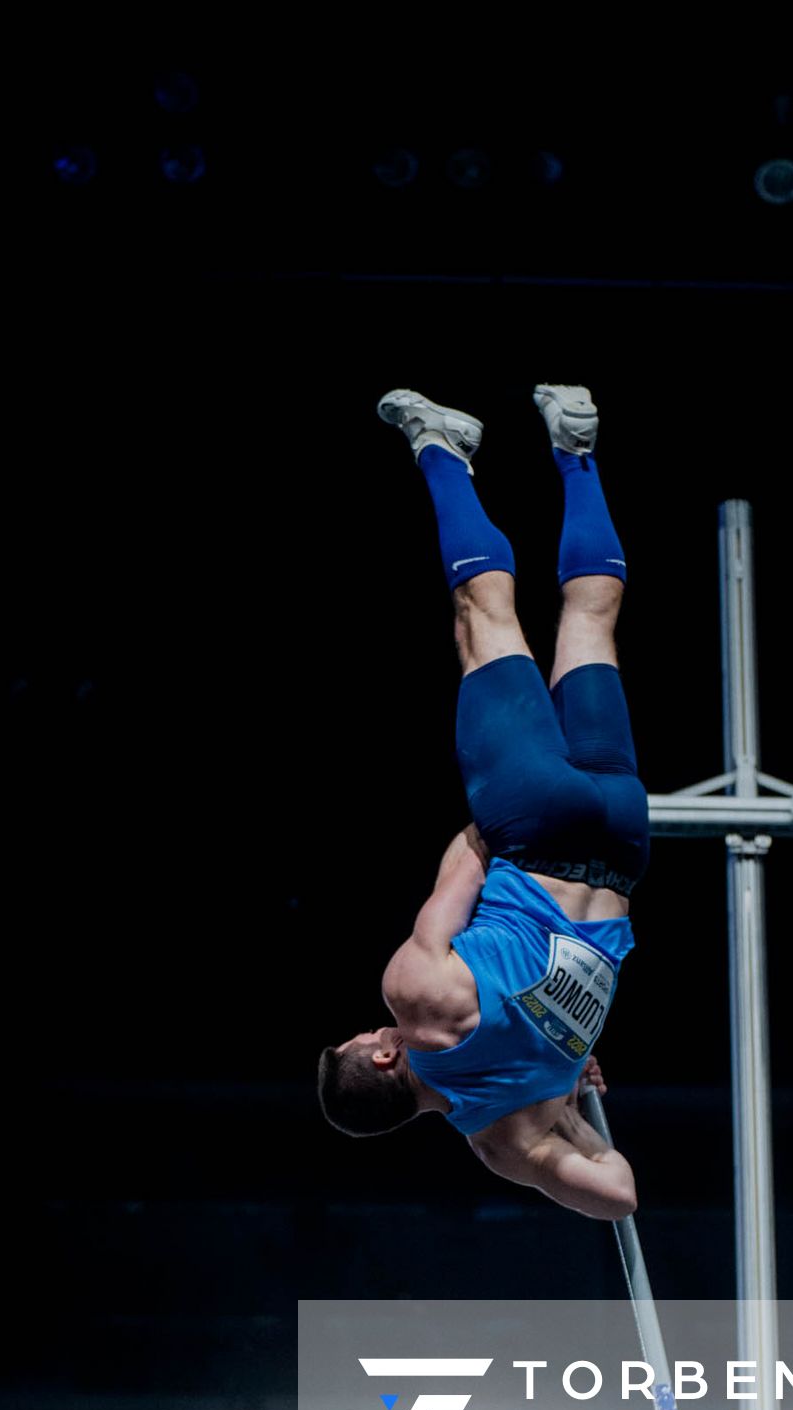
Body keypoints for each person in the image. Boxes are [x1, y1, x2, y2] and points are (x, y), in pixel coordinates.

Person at [317, 384, 648, 1220]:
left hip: (622, 846)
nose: (368, 1030)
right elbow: (461, 870)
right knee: (483, 622)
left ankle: (577, 455)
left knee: (591, 625)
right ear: (386, 1059)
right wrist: (501, 807)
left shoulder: (503, 1140)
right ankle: (440, 445)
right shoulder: (417, 1000)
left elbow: (618, 1195)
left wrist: (569, 1096)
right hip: (530, 824)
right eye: (362, 1040)